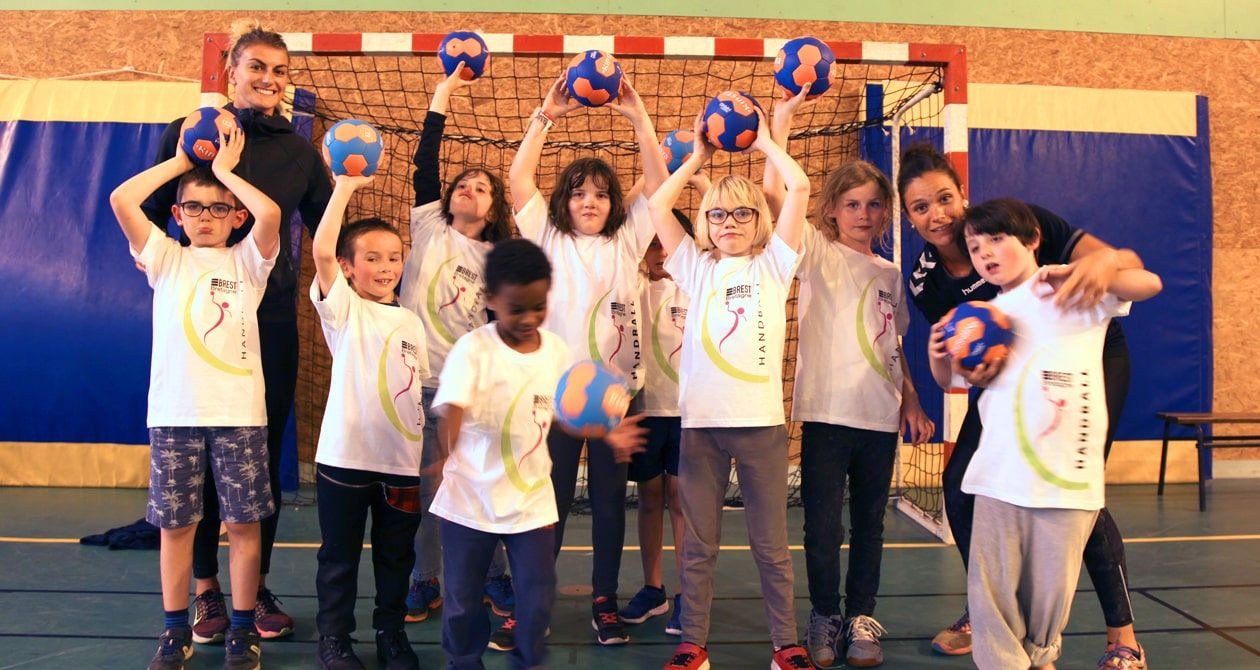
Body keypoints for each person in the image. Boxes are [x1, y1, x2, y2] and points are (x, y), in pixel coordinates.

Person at [898, 144, 1149, 669]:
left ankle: (1121, 635)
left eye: (944, 198)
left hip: (1087, 353)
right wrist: (958, 365)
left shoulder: (1016, 223)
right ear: (908, 216)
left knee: (1079, 493)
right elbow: (968, 361)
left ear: (962, 196)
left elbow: (1126, 267)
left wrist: (1104, 260)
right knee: (962, 482)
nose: (935, 214)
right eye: (920, 207)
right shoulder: (926, 277)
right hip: (1013, 362)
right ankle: (988, 607)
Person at [140, 19, 334, 643]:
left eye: (278, 71)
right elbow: (148, 216)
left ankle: (257, 584)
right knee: (193, 469)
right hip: (197, 319)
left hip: (268, 320)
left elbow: (325, 231)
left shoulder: (300, 151)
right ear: (231, 74)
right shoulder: (189, 133)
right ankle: (203, 590)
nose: (268, 80)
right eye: (256, 67)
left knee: (257, 463)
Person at [428, 238, 647, 670]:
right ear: (490, 300)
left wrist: (607, 431)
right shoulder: (473, 350)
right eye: (516, 308)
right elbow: (450, 408)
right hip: (469, 500)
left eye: (538, 306)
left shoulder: (557, 351)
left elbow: (566, 418)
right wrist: (444, 455)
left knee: (537, 594)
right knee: (461, 602)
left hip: (530, 501)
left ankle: (527, 660)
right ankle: (463, 662)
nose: (529, 318)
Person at [648, 108, 812, 670]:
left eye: (743, 212)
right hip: (700, 428)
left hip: (762, 426)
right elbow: (654, 205)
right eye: (717, 213)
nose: (730, 222)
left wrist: (767, 142)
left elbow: (801, 185)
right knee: (698, 545)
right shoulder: (694, 267)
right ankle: (693, 642)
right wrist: (695, 159)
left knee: (771, 546)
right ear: (705, 221)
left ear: (759, 220)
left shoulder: (773, 267)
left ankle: (785, 643)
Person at [507, 74, 667, 646]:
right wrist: (545, 115)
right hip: (553, 397)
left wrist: (639, 117)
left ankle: (604, 599)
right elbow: (518, 178)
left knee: (607, 508)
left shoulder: (628, 241)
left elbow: (658, 181)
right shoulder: (548, 239)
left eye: (600, 193)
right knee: (542, 502)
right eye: (579, 193)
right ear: (564, 202)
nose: (590, 202)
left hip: (616, 399)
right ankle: (533, 598)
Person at [111, 128, 279, 670]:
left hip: (239, 416)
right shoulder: (165, 258)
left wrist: (227, 174)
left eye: (218, 208)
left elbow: (271, 215)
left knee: (245, 525)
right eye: (193, 207)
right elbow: (121, 199)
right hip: (175, 415)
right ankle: (174, 629)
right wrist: (182, 161)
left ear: (235, 216)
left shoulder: (248, 264)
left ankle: (241, 629)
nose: (205, 215)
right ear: (178, 215)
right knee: (177, 526)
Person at [397, 62, 516, 626]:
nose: (470, 188)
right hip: (416, 383)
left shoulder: (497, 260)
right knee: (429, 484)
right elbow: (426, 158)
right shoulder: (428, 225)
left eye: (483, 187)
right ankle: (425, 578)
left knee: (477, 476)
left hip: (469, 388)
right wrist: (444, 91)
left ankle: (495, 574)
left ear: (494, 207)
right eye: (463, 183)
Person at [309, 175, 427, 670]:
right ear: (348, 268)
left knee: (396, 557)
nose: (385, 267)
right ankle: (334, 639)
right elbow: (318, 252)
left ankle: (390, 632)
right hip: (344, 458)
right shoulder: (345, 311)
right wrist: (344, 188)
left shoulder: (411, 321)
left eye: (393, 257)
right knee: (340, 557)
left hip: (401, 463)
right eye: (372, 258)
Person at [617, 215, 694, 635]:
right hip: (645, 410)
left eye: (667, 244)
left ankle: (687, 595)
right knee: (649, 500)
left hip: (687, 414)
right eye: (653, 246)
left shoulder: (695, 285)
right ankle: (653, 588)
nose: (661, 253)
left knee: (682, 502)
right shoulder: (634, 289)